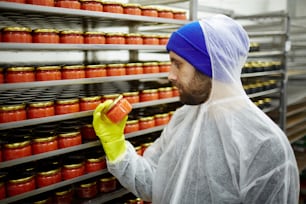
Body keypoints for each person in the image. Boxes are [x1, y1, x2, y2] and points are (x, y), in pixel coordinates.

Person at [93, 14, 300, 203]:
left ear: (209, 66)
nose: (170, 75)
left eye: (178, 64)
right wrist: (116, 146)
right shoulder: (184, 119)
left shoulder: (266, 145)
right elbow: (154, 183)